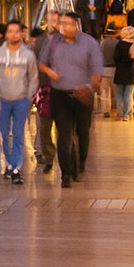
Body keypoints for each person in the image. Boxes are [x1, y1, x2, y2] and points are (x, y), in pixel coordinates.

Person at [38, 12, 101, 187]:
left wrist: (88, 88)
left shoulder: (89, 43)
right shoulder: (52, 42)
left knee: (83, 133)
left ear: (76, 25)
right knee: (64, 134)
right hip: (60, 94)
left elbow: (97, 71)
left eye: (68, 23)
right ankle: (65, 174)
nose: (63, 27)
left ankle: (79, 166)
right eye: (61, 23)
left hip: (83, 95)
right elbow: (42, 63)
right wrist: (49, 72)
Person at [0, 19, 39, 183]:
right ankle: (9, 163)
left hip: (20, 100)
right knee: (4, 134)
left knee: (18, 134)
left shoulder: (28, 55)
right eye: (10, 31)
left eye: (17, 31)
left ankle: (16, 168)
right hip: (2, 100)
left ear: (21, 33)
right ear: (6, 34)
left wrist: (28, 98)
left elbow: (33, 78)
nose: (14, 35)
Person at [111, 25, 134, 120]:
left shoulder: (120, 44)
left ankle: (119, 113)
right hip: (132, 72)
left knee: (119, 94)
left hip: (120, 71)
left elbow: (116, 58)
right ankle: (126, 115)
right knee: (128, 94)